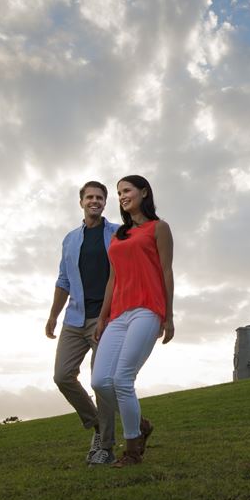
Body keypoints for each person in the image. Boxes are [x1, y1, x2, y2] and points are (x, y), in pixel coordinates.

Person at [91, 175, 174, 467]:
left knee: (122, 379)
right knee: (100, 381)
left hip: (147, 309)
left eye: (126, 190)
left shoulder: (159, 228)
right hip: (118, 314)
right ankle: (141, 424)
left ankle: (133, 451)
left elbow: (166, 271)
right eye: (119, 193)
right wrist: (103, 318)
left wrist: (170, 315)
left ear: (144, 192)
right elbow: (113, 279)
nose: (122, 196)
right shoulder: (119, 236)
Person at [46, 181, 120, 465]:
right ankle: (98, 425)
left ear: (105, 203)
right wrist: (53, 315)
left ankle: (106, 447)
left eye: (100, 197)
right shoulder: (70, 239)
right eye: (90, 197)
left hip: (106, 318)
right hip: (74, 319)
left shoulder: (116, 233)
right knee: (62, 376)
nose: (95, 201)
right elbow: (63, 280)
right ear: (81, 202)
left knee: (101, 382)